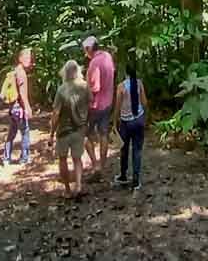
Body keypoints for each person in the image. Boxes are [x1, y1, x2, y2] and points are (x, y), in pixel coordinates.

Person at [47, 59, 90, 198]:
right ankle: (78, 186)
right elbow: (92, 102)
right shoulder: (84, 86)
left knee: (63, 159)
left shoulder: (61, 90)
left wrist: (51, 133)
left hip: (63, 130)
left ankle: (67, 190)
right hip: (79, 129)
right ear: (78, 71)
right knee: (77, 159)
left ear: (65, 72)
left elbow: (56, 113)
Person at [113, 60, 148, 190]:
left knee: (124, 149)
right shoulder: (139, 84)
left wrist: (114, 122)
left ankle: (123, 175)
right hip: (138, 120)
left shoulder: (121, 87)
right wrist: (145, 117)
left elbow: (117, 107)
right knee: (137, 150)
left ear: (125, 72)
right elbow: (144, 102)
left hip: (126, 122)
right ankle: (136, 179)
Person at [82, 35, 115, 175]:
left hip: (95, 106)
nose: (85, 53)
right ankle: (102, 165)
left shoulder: (94, 63)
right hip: (108, 102)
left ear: (89, 49)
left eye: (85, 50)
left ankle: (95, 164)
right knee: (103, 134)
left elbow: (94, 88)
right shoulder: (107, 56)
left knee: (84, 134)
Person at [1, 47, 33, 166]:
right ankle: (24, 158)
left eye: (30, 58)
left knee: (12, 133)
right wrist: (27, 108)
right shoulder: (22, 74)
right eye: (26, 57)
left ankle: (6, 158)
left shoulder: (14, 71)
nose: (29, 60)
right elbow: (23, 94)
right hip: (19, 108)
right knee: (25, 132)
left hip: (12, 108)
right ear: (20, 58)